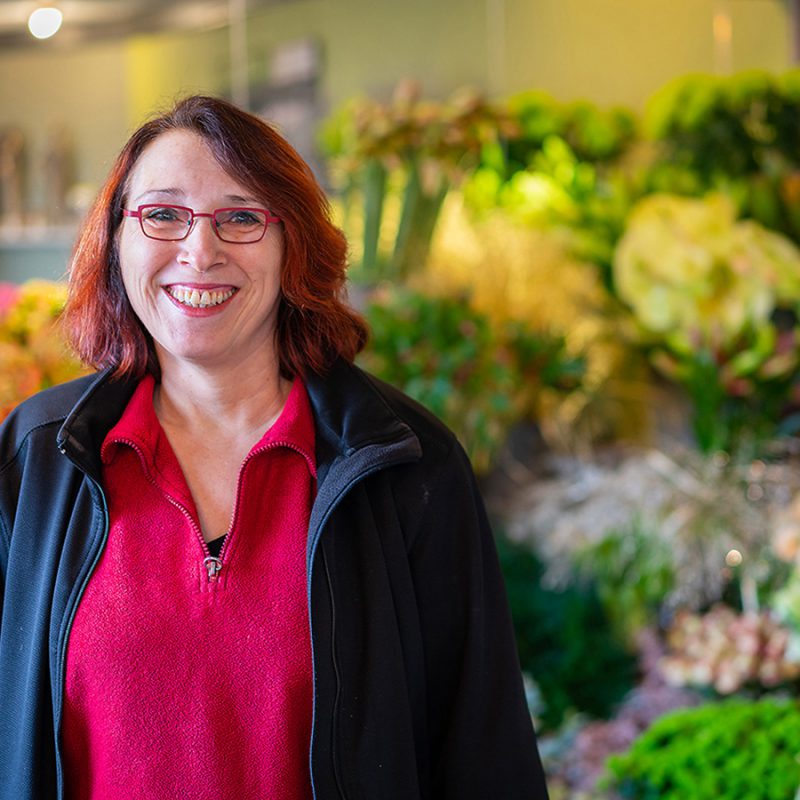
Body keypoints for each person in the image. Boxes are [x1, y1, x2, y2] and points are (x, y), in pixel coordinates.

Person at [0, 95, 549, 800]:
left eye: (241, 216)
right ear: (116, 239)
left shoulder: (409, 464)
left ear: (295, 245)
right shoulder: (35, 459)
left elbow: (483, 751)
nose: (200, 250)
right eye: (163, 214)